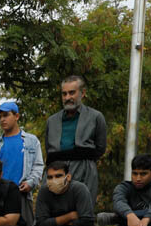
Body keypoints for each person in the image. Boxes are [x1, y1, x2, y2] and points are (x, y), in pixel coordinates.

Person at [44, 75, 108, 203]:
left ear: (82, 93)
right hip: (55, 171)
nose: (67, 98)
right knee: (52, 209)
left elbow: (100, 148)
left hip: (84, 170)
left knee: (82, 209)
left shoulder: (95, 117)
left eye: (72, 93)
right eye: (64, 94)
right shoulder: (52, 121)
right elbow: (48, 148)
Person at [0, 101, 44, 226]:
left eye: (6, 115)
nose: (2, 119)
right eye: (0, 116)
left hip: (21, 195)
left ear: (16, 116)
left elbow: (38, 165)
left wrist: (31, 182)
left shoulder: (31, 141)